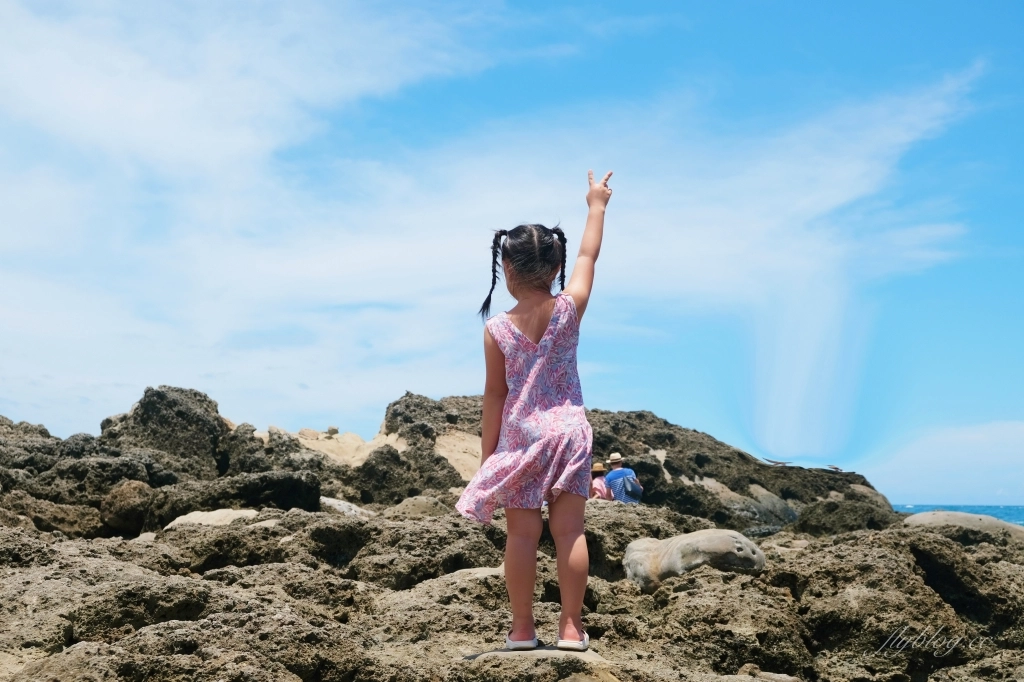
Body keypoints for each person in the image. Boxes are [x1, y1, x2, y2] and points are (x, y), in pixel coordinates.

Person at [456, 169, 614, 653]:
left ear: (506, 269)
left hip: (522, 438)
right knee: (570, 533)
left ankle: (522, 630)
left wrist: (490, 457)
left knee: (522, 537)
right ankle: (570, 629)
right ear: (556, 266)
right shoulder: (569, 308)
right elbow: (589, 254)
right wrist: (596, 205)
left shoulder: (496, 331)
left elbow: (494, 398)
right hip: (568, 432)